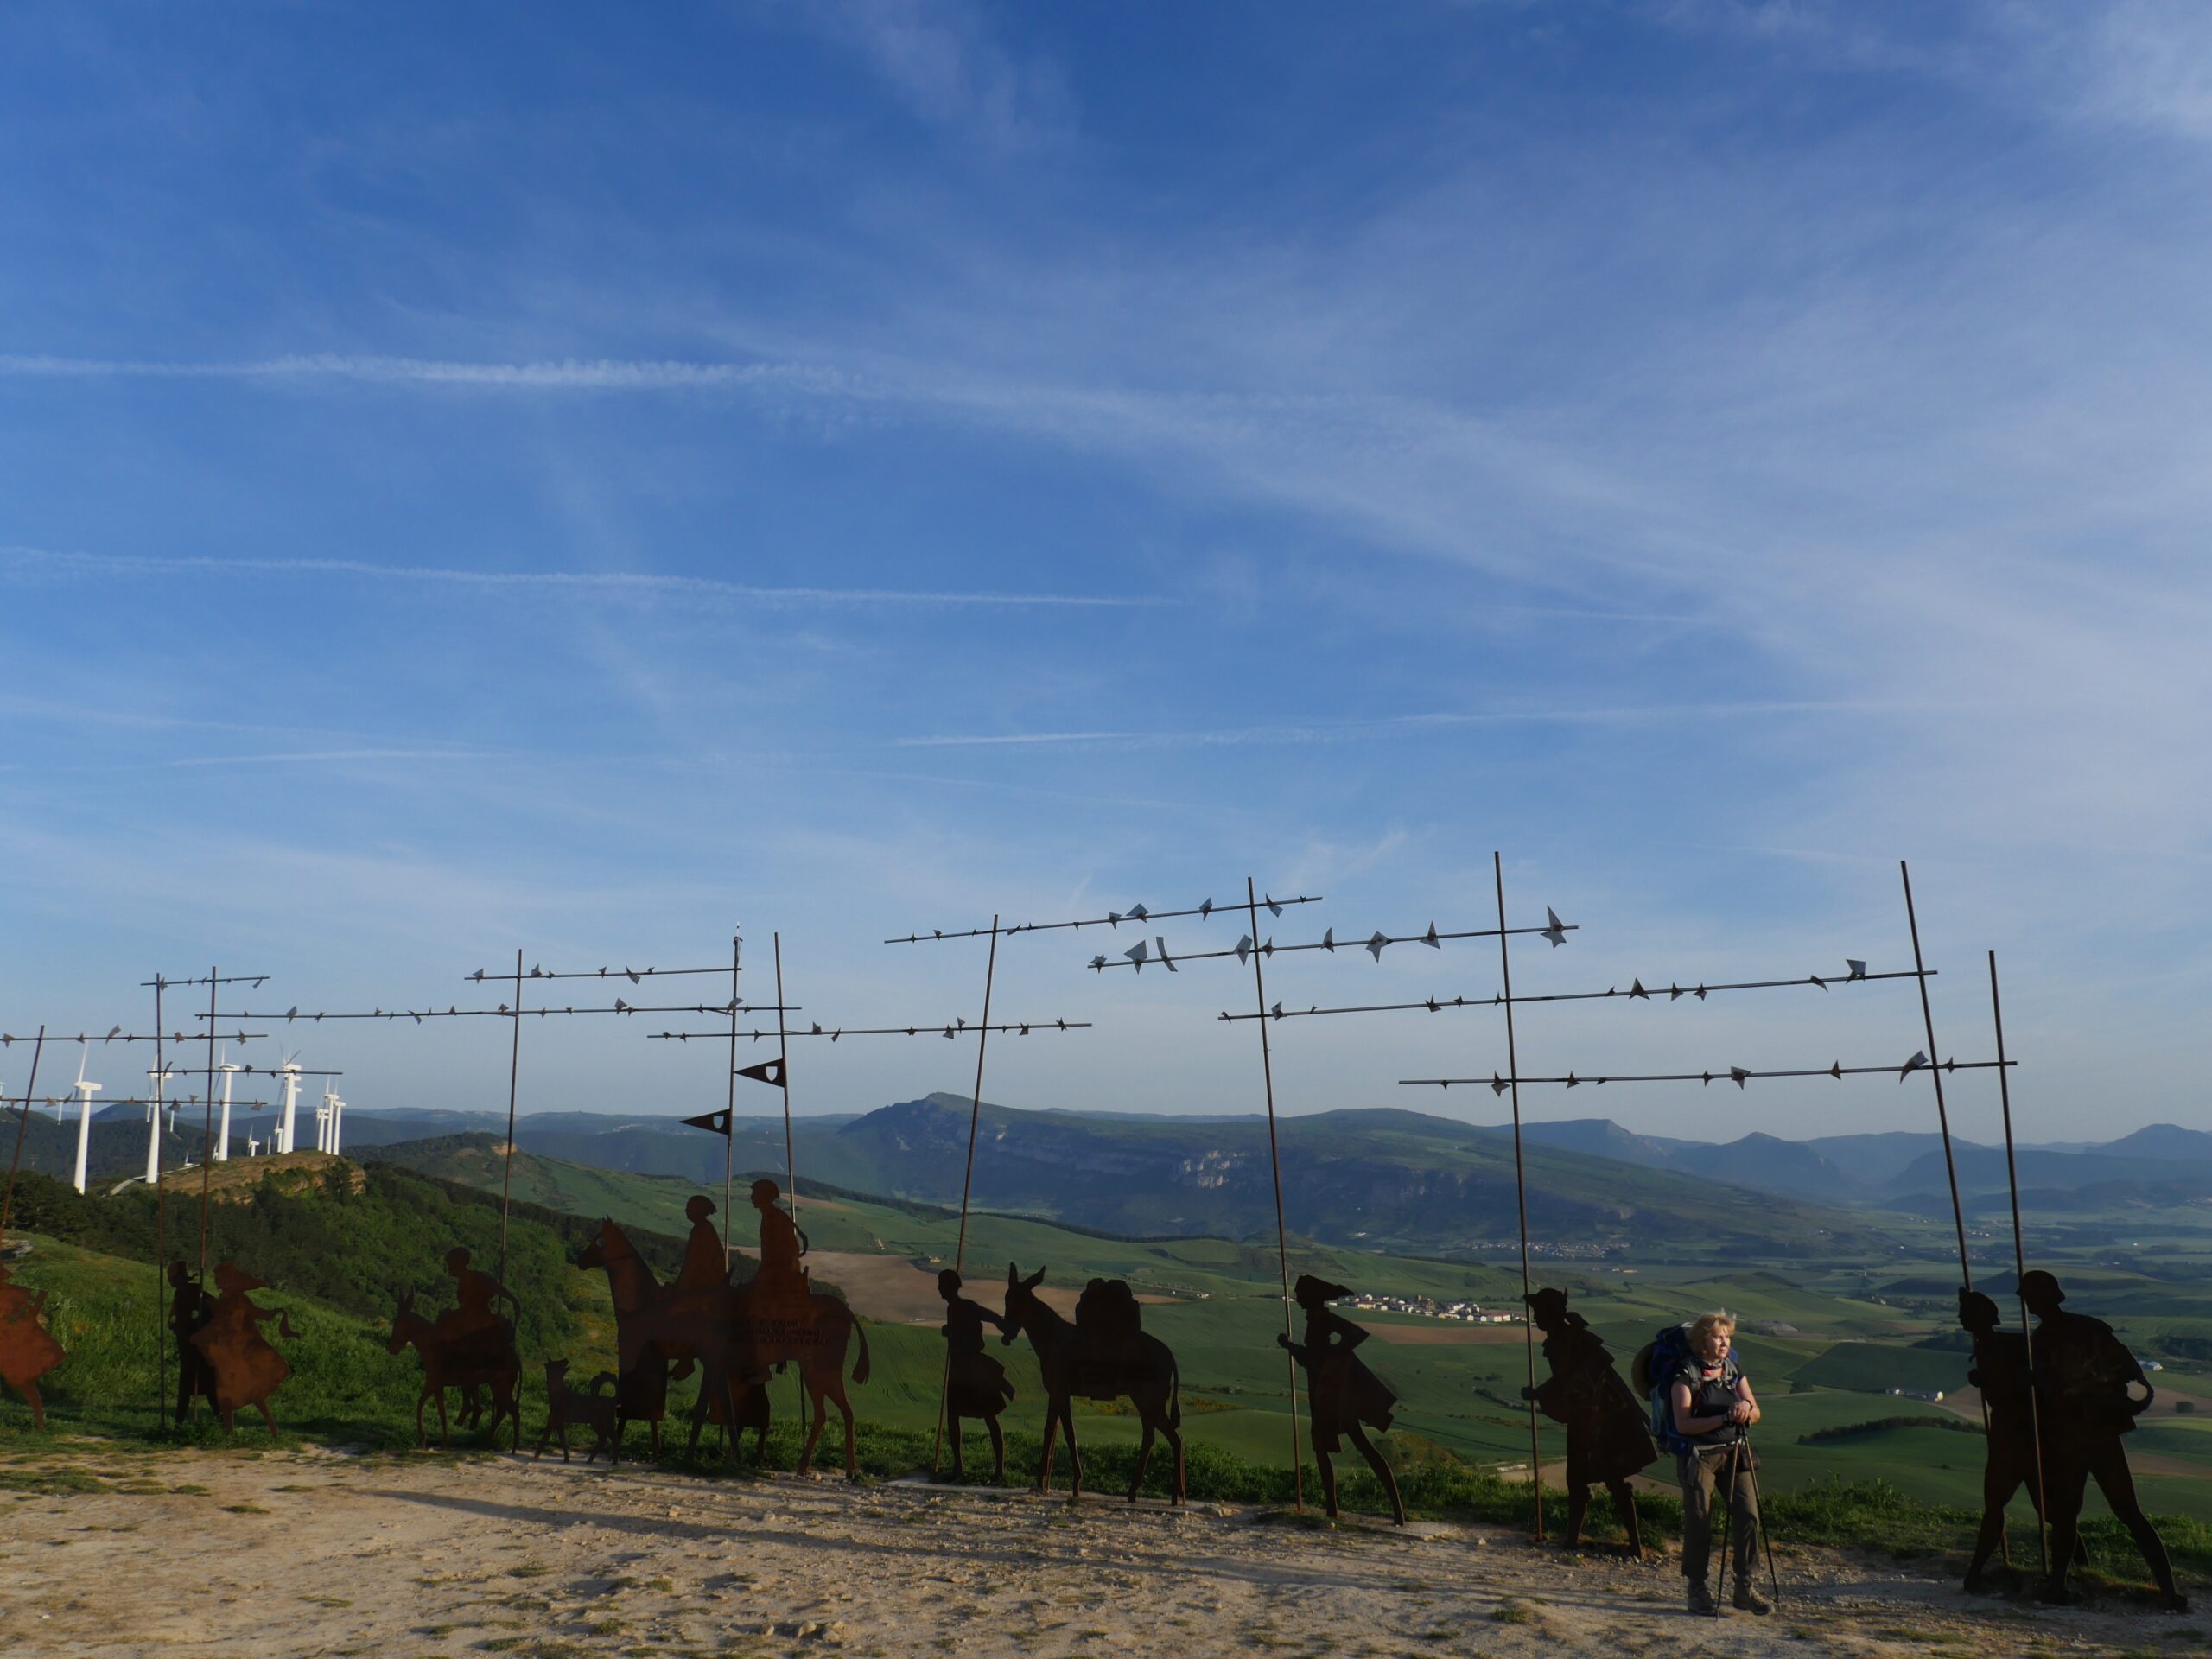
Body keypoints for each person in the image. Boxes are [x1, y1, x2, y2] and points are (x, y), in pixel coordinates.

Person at [2021, 1270, 2186, 1610]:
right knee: (2094, 1514)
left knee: (2113, 1512)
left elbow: (2127, 1373)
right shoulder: (2065, 1332)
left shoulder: (2058, 1335)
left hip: (2085, 1435)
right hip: (2085, 1435)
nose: (2027, 1301)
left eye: (2031, 1295)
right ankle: (2063, 1583)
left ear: (2046, 1297)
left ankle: (2165, 1590)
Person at [1958, 1287, 2079, 1590]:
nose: (1959, 1317)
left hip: (2025, 1435)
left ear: (1980, 1317)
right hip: (2006, 1435)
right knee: (2000, 1505)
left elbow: (2039, 1378)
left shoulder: (2012, 1345)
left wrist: (2017, 1380)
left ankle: (2065, 1576)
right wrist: (1985, 1380)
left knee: (2051, 1511)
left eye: (1965, 1313)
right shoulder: (1984, 1346)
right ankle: (1975, 1574)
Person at [1522, 1287, 1655, 1553]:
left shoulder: (1575, 1339)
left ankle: (1635, 1544)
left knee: (1613, 1478)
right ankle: (1573, 1540)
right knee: (1578, 1480)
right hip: (1581, 1419)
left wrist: (1539, 1392)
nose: (1535, 1316)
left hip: (1601, 1420)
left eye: (1539, 1311)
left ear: (1552, 1312)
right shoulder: (1559, 1341)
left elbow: (1585, 1375)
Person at [1277, 1274, 1405, 1524]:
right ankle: (1334, 1508)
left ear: (1310, 1296)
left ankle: (1345, 1508)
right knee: (1332, 1447)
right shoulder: (1316, 1319)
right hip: (1324, 1392)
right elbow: (1313, 1357)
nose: (1297, 1298)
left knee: (1352, 1445)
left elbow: (1350, 1338)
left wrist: (1331, 1356)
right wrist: (1294, 1348)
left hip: (1331, 1395)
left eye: (1300, 1293)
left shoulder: (1323, 1319)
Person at [1669, 1310, 1767, 1616]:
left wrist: (1745, 1409)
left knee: (1749, 1516)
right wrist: (1725, 1417)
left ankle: (1744, 1587)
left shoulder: (1733, 1369)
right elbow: (1683, 1424)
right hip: (1700, 1457)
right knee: (1700, 1521)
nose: (1724, 1342)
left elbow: (1756, 1412)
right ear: (1702, 1340)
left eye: (1727, 1337)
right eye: (1717, 1336)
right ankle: (1696, 1589)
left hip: (1735, 1453)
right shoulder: (1685, 1374)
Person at [189, 1262, 290, 1433]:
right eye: (216, 1279)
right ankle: (232, 1431)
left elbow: (224, 1323)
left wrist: (275, 1313)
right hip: (227, 1351)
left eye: (219, 1279)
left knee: (247, 1390)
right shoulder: (223, 1300)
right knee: (227, 1392)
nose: (216, 1282)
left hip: (238, 1352)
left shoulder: (239, 1301)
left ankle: (270, 1428)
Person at [937, 1268, 1014, 1480]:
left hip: (971, 1370)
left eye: (941, 1285)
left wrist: (1006, 1329)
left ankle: (997, 1470)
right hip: (960, 1369)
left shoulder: (965, 1307)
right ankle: (959, 1467)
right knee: (955, 1416)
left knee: (988, 1416)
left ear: (948, 1287)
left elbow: (988, 1317)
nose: (938, 1289)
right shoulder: (953, 1308)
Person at [0, 1259, 67, 1429]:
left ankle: (40, 1423)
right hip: (9, 1340)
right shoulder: (13, 1294)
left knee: (25, 1382)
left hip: (10, 1342)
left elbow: (30, 1312)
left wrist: (42, 1294)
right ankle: (40, 1423)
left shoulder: (13, 1294)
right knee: (26, 1383)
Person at [432, 1247, 517, 1350]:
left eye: (451, 1263)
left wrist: (514, 1301)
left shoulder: (475, 1277)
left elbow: (495, 1287)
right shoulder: (467, 1278)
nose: (449, 1266)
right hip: (469, 1316)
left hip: (477, 1317)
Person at [166, 1259, 213, 1419]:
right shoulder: (179, 1294)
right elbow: (175, 1318)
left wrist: (194, 1326)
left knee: (205, 1383)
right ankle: (179, 1424)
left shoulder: (194, 1293)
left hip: (197, 1346)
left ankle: (222, 1423)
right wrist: (176, 1325)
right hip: (186, 1345)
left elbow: (211, 1309)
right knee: (187, 1385)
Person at [673, 1196, 729, 1295]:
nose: (686, 1210)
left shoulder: (701, 1230)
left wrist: (679, 1285)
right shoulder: (703, 1227)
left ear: (697, 1210)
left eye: (689, 1207)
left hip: (705, 1284)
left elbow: (692, 1263)